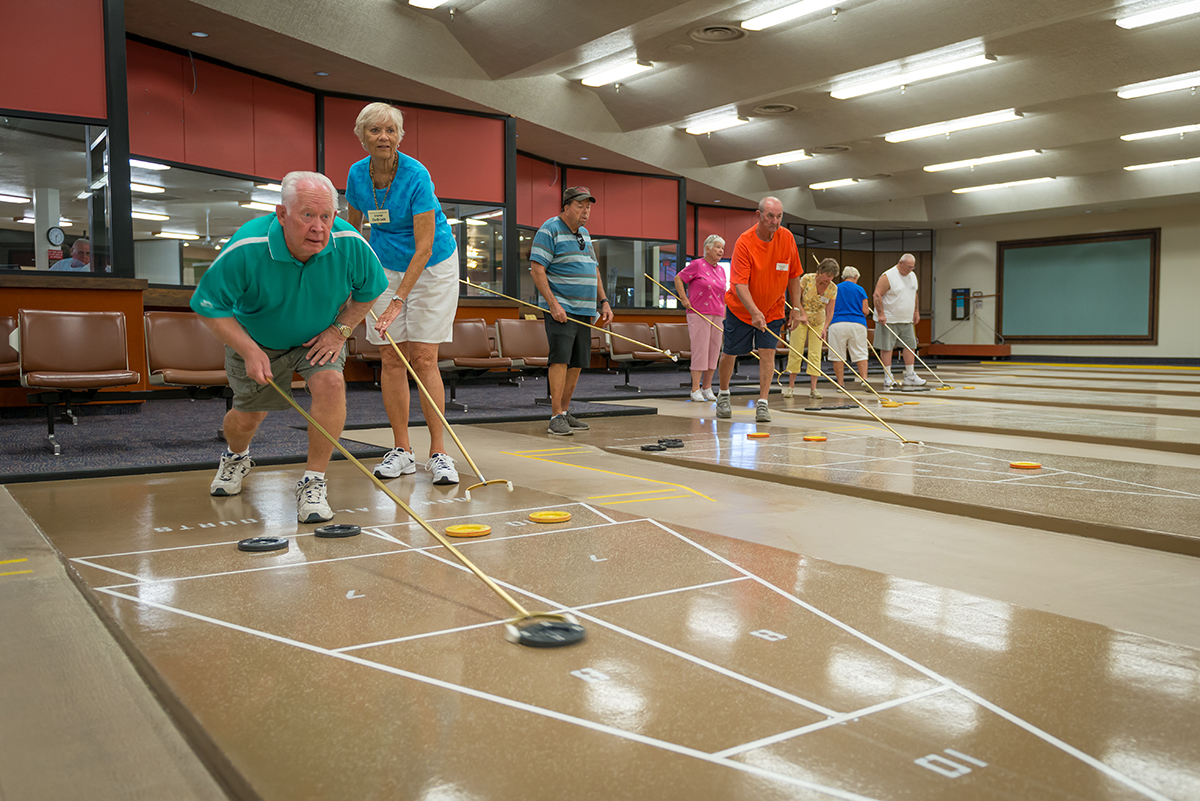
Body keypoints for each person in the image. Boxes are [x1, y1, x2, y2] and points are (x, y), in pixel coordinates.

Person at [191, 171, 387, 524]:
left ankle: (313, 481)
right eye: (307, 216)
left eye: (326, 216)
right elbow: (208, 305)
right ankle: (236, 456)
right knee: (249, 417)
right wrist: (249, 350)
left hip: (318, 338)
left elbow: (371, 289)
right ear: (282, 214)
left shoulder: (349, 243)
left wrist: (340, 331)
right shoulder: (247, 247)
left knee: (330, 384)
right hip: (258, 339)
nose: (318, 228)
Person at [345, 102, 462, 485]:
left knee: (424, 357)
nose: (384, 137)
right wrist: (351, 280)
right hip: (384, 264)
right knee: (392, 357)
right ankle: (402, 450)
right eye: (375, 131)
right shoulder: (357, 175)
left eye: (390, 131)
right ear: (362, 136)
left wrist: (398, 299)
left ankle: (439, 452)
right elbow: (352, 230)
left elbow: (424, 246)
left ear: (399, 137)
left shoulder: (415, 174)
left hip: (433, 265)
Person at [530, 186, 613, 436]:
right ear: (566, 206)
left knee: (577, 362)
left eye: (588, 206)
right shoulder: (549, 228)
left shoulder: (585, 234)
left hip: (585, 310)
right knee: (560, 359)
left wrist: (604, 301)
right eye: (580, 206)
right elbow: (537, 269)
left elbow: (594, 269)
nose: (585, 211)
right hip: (561, 309)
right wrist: (553, 304)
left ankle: (565, 412)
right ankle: (555, 415)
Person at [715, 197, 802, 423]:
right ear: (758, 215)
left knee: (767, 353)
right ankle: (723, 394)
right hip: (741, 309)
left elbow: (793, 275)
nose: (775, 221)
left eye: (779, 216)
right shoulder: (744, 242)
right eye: (770, 216)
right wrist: (753, 311)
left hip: (773, 309)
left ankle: (763, 403)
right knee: (730, 352)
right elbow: (739, 284)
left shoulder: (787, 238)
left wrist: (797, 307)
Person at [674, 234, 726, 402]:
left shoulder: (721, 270)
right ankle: (695, 388)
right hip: (699, 313)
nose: (721, 250)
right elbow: (678, 278)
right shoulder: (697, 264)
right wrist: (684, 298)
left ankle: (707, 387)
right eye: (717, 247)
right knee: (700, 349)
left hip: (718, 313)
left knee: (714, 350)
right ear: (708, 248)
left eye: (722, 248)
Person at [784, 258, 838, 399]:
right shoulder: (807, 279)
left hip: (818, 320)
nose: (829, 279)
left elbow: (830, 310)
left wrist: (825, 327)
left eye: (832, 276)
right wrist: (801, 313)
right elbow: (796, 299)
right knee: (796, 350)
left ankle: (813, 388)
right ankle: (790, 387)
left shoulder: (833, 288)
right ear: (820, 271)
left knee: (815, 353)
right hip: (801, 319)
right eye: (827, 275)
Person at [872, 253, 926, 389]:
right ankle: (888, 376)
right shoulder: (888, 276)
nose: (910, 270)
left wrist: (916, 311)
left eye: (912, 268)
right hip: (889, 319)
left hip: (906, 319)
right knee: (887, 347)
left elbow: (915, 294)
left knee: (910, 345)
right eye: (908, 267)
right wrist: (881, 314)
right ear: (900, 263)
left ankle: (910, 375)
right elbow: (877, 294)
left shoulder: (912, 276)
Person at [825, 265, 870, 392]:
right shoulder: (860, 289)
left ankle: (841, 384)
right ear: (855, 277)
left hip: (837, 324)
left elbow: (827, 307)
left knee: (837, 355)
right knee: (860, 352)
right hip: (858, 324)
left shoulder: (835, 288)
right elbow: (865, 310)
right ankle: (864, 379)